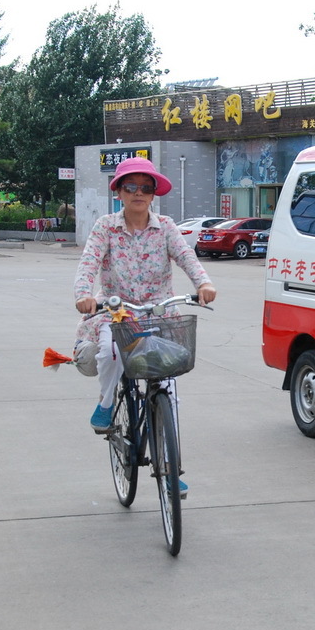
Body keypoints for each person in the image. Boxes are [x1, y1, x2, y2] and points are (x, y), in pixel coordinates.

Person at [74, 157, 217, 494]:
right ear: (119, 192)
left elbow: (186, 256)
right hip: (118, 311)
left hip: (159, 314)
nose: (139, 193)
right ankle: (107, 405)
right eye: (130, 186)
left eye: (146, 187)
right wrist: (84, 294)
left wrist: (204, 284)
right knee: (110, 352)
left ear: (154, 194)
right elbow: (88, 263)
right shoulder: (106, 227)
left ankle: (169, 466)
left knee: (168, 389)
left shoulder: (165, 226)